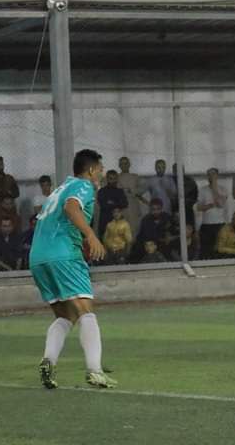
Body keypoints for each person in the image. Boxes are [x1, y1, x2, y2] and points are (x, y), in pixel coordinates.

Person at [29, 149, 116, 389]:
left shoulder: (60, 188)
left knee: (65, 315)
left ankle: (48, 361)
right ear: (91, 170)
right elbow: (71, 208)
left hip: (38, 257)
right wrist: (91, 235)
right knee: (86, 311)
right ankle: (95, 371)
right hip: (63, 254)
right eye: (100, 169)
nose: (101, 174)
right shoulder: (83, 186)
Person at [197, 168, 228, 259]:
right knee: (206, 250)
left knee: (219, 249)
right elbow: (198, 207)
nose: (211, 176)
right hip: (206, 224)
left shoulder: (223, 189)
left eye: (213, 174)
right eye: (209, 174)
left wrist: (214, 186)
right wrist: (210, 206)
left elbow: (220, 203)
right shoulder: (202, 190)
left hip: (220, 223)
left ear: (217, 175)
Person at [132, 198, 172, 262]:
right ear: (150, 209)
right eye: (153, 209)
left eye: (158, 209)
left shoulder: (166, 217)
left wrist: (168, 236)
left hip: (163, 244)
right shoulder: (146, 219)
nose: (156, 211)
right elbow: (147, 235)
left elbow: (170, 230)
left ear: (161, 208)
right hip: (148, 243)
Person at [117, 157, 147, 237]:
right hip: (121, 208)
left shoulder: (135, 177)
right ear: (119, 165)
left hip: (133, 206)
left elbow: (143, 188)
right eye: (122, 163)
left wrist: (133, 191)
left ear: (129, 164)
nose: (124, 165)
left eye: (126, 163)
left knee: (134, 230)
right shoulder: (116, 177)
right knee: (122, 231)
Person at [96, 170, 128, 239]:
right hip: (105, 221)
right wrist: (117, 203)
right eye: (111, 178)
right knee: (104, 242)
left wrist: (111, 202)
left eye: (114, 178)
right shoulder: (101, 191)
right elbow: (103, 205)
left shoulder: (120, 191)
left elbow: (125, 204)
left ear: (117, 179)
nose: (113, 181)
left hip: (118, 222)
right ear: (107, 179)